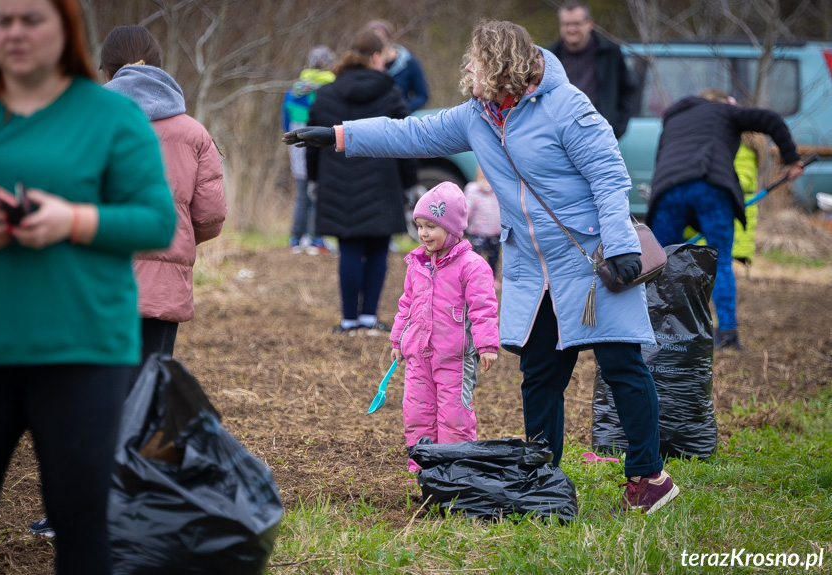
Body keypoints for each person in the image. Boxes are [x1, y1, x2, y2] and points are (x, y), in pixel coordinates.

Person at [285, 20, 679, 514]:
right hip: (535, 272)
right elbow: (410, 133)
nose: (468, 68)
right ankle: (542, 476)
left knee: (621, 366)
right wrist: (339, 135)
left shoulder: (567, 107)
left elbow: (608, 176)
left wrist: (621, 244)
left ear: (501, 65)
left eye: (477, 60)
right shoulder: (478, 115)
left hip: (592, 260)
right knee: (539, 374)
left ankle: (649, 476)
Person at [0, 0, 177, 572]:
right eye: (1, 18)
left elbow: (157, 221)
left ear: (64, 27)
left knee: (83, 530)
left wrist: (74, 220)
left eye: (32, 18)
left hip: (81, 349)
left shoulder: (110, 116)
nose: (15, 31)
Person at [27, 24, 228, 540]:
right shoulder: (193, 131)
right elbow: (210, 216)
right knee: (147, 396)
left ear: (108, 71)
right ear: (160, 67)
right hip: (162, 287)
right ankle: (137, 511)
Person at [646, 90, 803, 351]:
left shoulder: (673, 117)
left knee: (659, 261)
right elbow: (771, 119)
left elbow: (664, 161)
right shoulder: (723, 111)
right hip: (711, 184)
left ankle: (657, 333)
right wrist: (792, 158)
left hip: (667, 188)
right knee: (722, 262)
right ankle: (728, 333)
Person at [306, 28, 418, 335]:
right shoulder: (390, 91)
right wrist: (410, 183)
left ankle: (348, 320)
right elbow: (406, 140)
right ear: (376, 57)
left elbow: (314, 139)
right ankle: (369, 318)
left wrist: (313, 179)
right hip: (382, 182)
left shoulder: (326, 93)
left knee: (350, 248)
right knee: (379, 249)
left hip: (336, 182)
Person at [390, 182, 499, 474]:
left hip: (455, 359)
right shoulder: (416, 264)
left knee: (455, 419)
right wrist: (398, 340)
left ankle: (457, 474)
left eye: (432, 226)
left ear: (452, 229)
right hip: (419, 357)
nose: (424, 233)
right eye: (420, 225)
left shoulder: (472, 266)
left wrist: (487, 346)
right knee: (417, 415)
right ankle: (423, 473)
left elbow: (483, 309)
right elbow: (407, 304)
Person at [684, 89, 765, 267]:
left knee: (717, 272)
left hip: (729, 217)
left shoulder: (742, 144)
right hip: (709, 217)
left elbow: (742, 180)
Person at [548, 1, 635, 140]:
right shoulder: (549, 57)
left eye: (576, 23)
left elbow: (628, 91)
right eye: (566, 24)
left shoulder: (610, 53)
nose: (571, 29)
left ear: (589, 23)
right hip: (561, 138)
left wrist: (616, 129)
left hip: (601, 135)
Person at [282, 45, 336, 255]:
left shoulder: (294, 89)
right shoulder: (329, 88)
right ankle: (316, 239)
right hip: (320, 142)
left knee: (302, 192)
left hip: (296, 143)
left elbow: (285, 121)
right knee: (318, 191)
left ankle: (296, 238)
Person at [366, 19, 429, 112]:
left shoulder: (409, 62)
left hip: (400, 120)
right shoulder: (363, 66)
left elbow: (422, 96)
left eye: (380, 39)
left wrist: (401, 108)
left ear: (389, 40)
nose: (376, 45)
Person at [463, 165, 502, 287]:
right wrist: (463, 222)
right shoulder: (472, 190)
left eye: (488, 178)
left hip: (495, 231)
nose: (486, 182)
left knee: (494, 257)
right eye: (482, 178)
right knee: (476, 255)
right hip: (477, 231)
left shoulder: (498, 190)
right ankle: (474, 279)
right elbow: (467, 208)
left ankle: (492, 278)